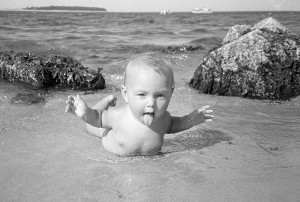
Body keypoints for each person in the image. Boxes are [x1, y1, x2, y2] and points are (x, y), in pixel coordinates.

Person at [66, 54, 214, 156]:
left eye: (160, 95)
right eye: (142, 95)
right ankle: (106, 101)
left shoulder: (164, 119)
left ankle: (108, 101)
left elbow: (176, 125)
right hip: (107, 134)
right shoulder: (118, 116)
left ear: (171, 92)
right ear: (125, 94)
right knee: (91, 127)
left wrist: (191, 119)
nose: (151, 103)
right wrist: (85, 113)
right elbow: (97, 118)